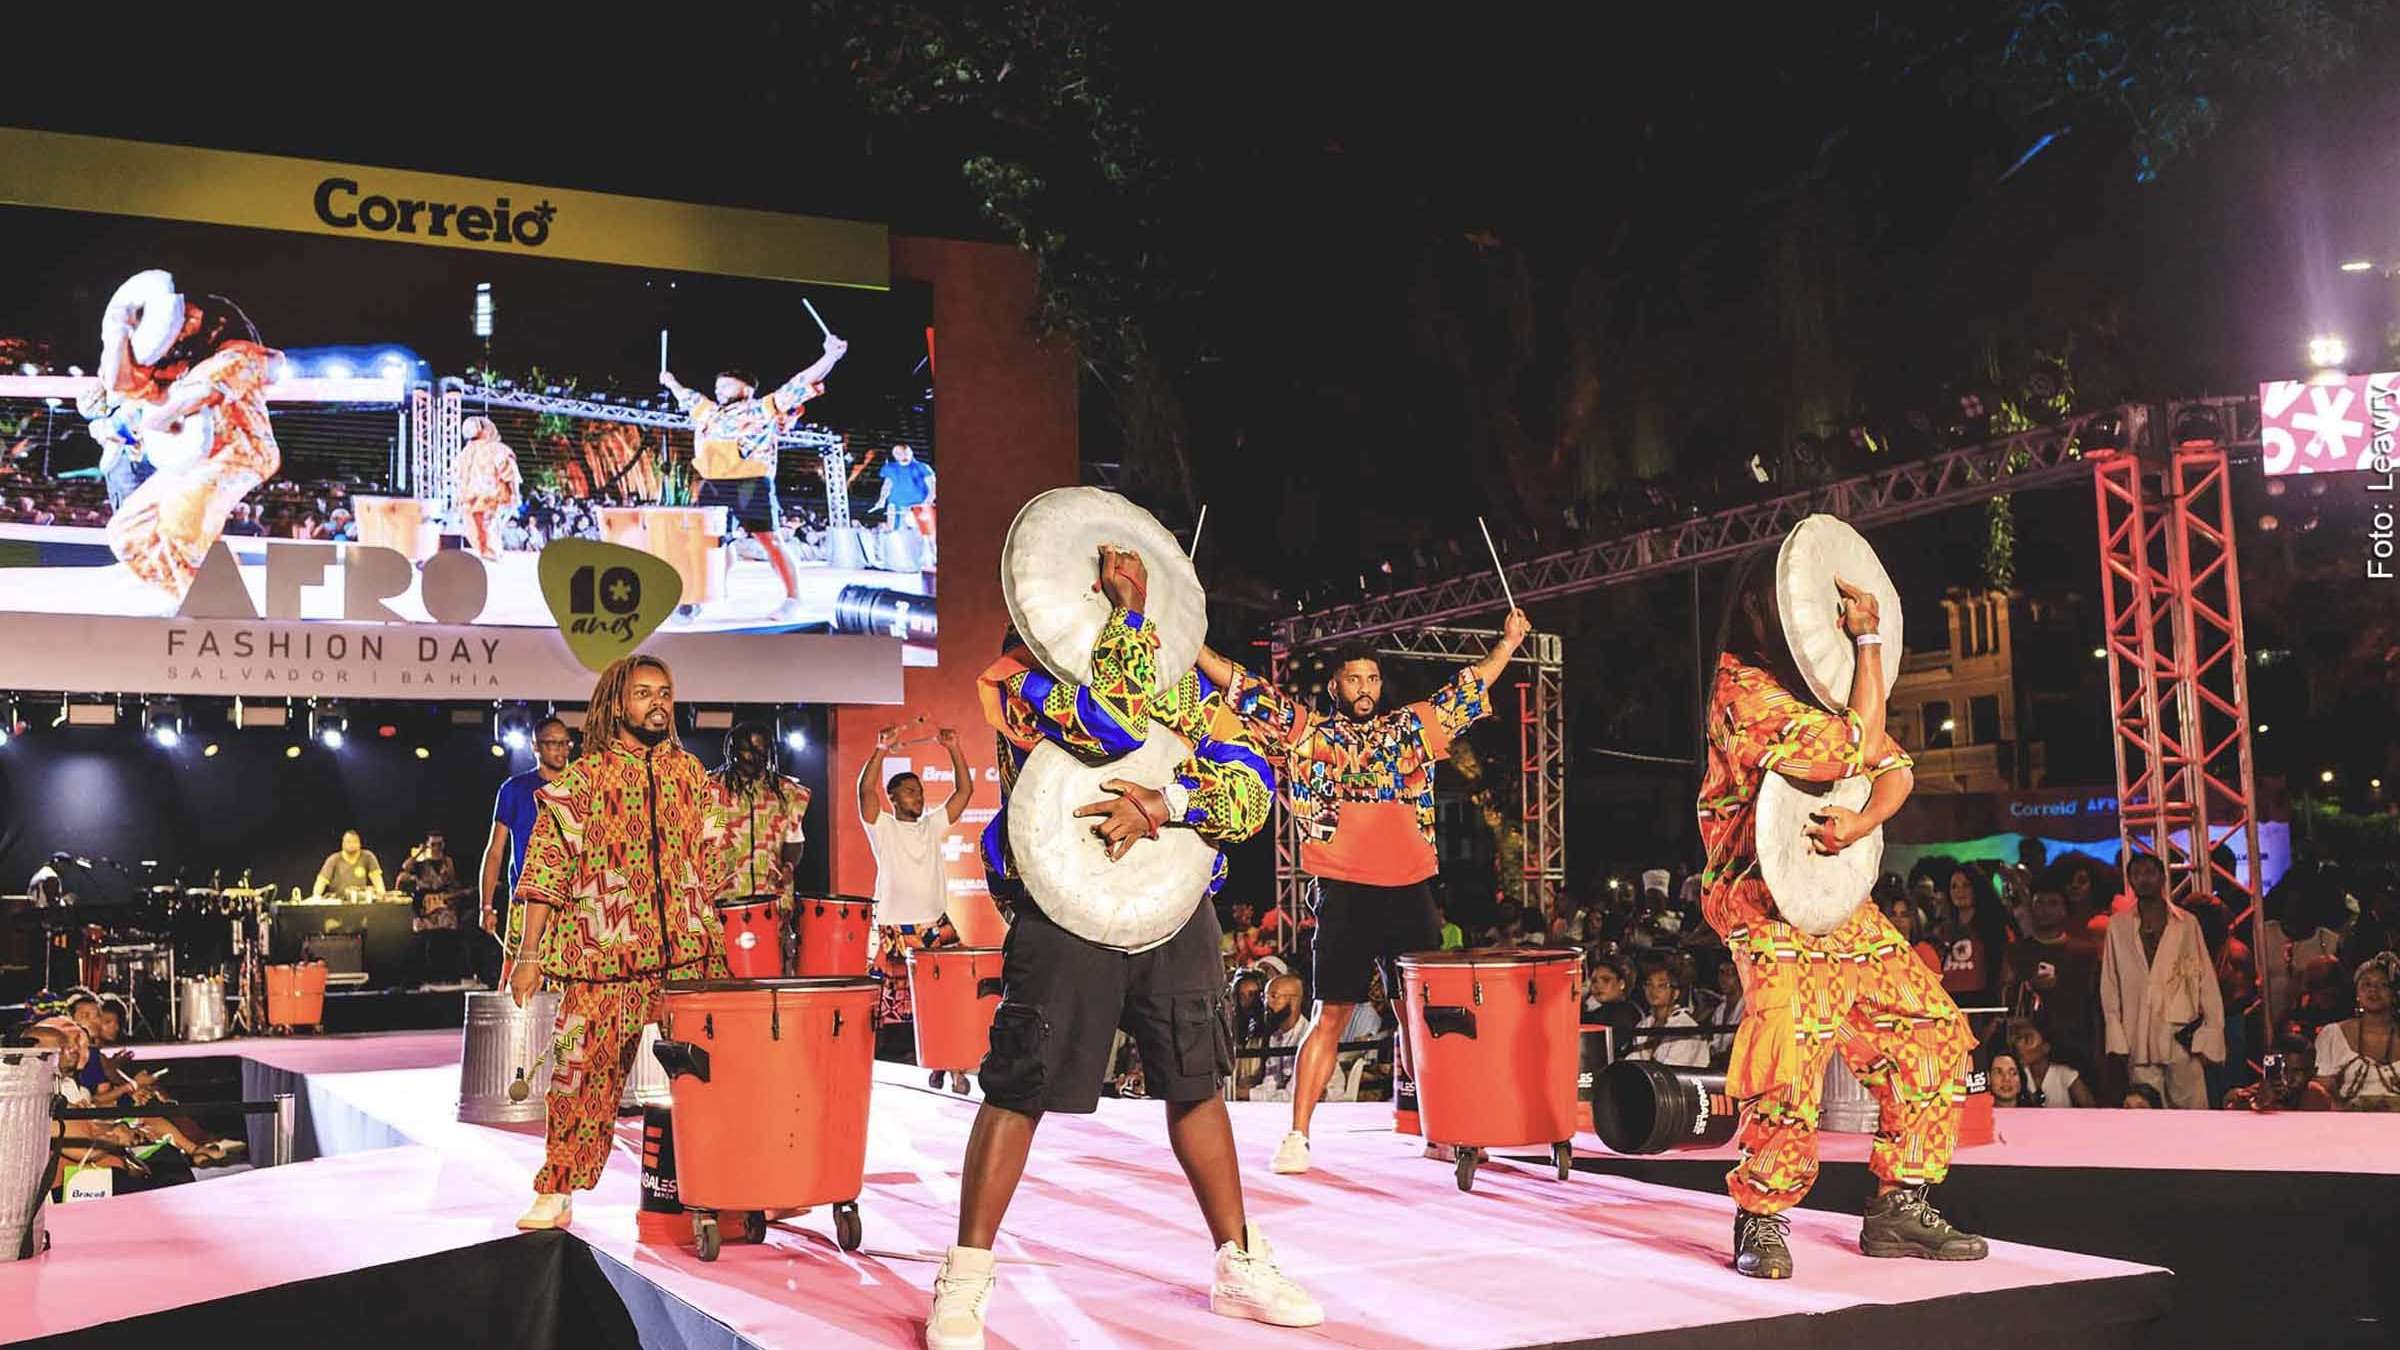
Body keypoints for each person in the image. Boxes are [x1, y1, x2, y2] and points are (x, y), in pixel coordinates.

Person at [926, 546, 1318, 1350]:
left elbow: (1249, 789)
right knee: (1018, 1085)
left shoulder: (1184, 681)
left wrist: (1167, 802)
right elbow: (1109, 722)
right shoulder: (1021, 679)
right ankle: (964, 1277)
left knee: (1196, 1083)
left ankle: (1238, 1262)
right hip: (1065, 909)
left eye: (1120, 599)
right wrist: (1132, 619)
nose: (1109, 605)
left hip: (1174, 910)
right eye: (1105, 597)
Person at [1698, 550, 1982, 1280]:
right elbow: (1855, 745)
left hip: (1833, 899)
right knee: (1790, 1046)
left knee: (1931, 1027)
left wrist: (1859, 828)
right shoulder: (1744, 691)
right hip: (1761, 901)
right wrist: (1867, 642)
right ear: (1761, 613)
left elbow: (1895, 769)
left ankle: (1898, 1204)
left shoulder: (1824, 695)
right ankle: (1761, 1215)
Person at [1195, 607, 1532, 1176]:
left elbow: (1468, 689)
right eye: (1354, 679)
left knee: (1420, 1019)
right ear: (1336, 685)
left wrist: (1509, 643)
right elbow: (1243, 686)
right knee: (1331, 1014)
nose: (1365, 688)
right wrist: (1192, 645)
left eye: (1373, 679)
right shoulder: (1309, 732)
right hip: (1347, 893)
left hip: (1411, 891)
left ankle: (1445, 1128)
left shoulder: (1409, 729)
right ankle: (1298, 1136)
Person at [508, 654, 732, 1231]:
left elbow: (717, 864)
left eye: (664, 692)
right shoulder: (582, 781)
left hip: (689, 958)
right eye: (643, 693)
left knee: (720, 1074)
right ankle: (557, 1187)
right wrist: (527, 956)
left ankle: (735, 1184)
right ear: (615, 704)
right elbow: (546, 869)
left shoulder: (692, 776)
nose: (657, 702)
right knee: (578, 1078)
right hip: (602, 957)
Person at [85, 274, 283, 599]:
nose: (185, 321)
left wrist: (159, 413)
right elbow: (118, 384)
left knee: (180, 526)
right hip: (191, 461)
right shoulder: (177, 366)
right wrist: (117, 331)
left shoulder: (239, 355)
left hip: (237, 454)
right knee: (128, 532)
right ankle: (212, 596)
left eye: (192, 315)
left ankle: (214, 606)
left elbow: (195, 396)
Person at [661, 334, 848, 621]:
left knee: (770, 540)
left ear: (747, 389)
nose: (719, 389)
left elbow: (798, 384)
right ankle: (701, 595)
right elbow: (687, 395)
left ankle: (793, 598)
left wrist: (830, 357)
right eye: (717, 385)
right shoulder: (708, 412)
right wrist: (670, 381)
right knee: (711, 543)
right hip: (713, 483)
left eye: (726, 384)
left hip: (750, 482)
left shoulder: (761, 409)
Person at [859, 723, 975, 1084]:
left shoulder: (931, 824)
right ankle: (885, 1073)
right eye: (909, 792)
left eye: (920, 791)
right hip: (896, 928)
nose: (918, 797)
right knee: (891, 1010)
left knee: (949, 998)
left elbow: (964, 792)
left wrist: (954, 748)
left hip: (934, 925)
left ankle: (951, 1064)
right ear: (893, 798)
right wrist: (881, 749)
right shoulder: (883, 826)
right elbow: (865, 790)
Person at [2099, 852, 2225, 1110]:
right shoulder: (2118, 926)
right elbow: (2110, 983)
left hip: (2180, 1031)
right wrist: (2116, 1035)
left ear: (2162, 878)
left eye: (2150, 873)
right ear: (2130, 880)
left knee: (2194, 1109)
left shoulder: (2186, 923)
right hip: (2138, 1030)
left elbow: (2205, 980)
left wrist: (2211, 1030)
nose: (2143, 880)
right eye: (2137, 874)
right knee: (2145, 1109)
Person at [479, 718, 574, 985]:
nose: (561, 750)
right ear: (535, 747)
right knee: (518, 983)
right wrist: (486, 905)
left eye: (565, 743)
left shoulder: (580, 787)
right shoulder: (514, 789)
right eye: (552, 743)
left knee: (567, 987)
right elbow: (495, 850)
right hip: (524, 899)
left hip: (569, 903)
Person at [2002, 885, 2102, 1072]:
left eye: (2053, 904)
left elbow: (2095, 1002)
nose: (2045, 910)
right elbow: (2007, 994)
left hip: (2076, 1043)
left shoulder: (2085, 952)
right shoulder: (2017, 952)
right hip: (2028, 1045)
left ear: (2065, 909)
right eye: (2039, 904)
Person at [2314, 952, 2399, 1110]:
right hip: (2347, 1125)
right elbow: (2321, 1090)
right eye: (2366, 984)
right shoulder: (2333, 1034)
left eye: (2383, 985)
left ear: (2394, 994)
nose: (2373, 990)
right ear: (2357, 994)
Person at [454, 415, 521, 559]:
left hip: (491, 497)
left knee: (488, 525)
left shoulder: (496, 449)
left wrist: (515, 493)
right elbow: (459, 475)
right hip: (474, 498)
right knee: (477, 528)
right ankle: (487, 552)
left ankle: (492, 552)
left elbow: (510, 473)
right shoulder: (467, 452)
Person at [1624, 963, 1711, 1069]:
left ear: (1675, 993)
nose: (1654, 990)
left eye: (1662, 985)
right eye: (1649, 984)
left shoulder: (1686, 1027)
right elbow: (1633, 1061)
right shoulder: (1644, 1024)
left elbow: (1673, 1070)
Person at [2225, 1033, 2336, 1112]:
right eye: (2281, 1070)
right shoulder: (2253, 1096)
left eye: (2296, 1072)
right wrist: (2254, 1105)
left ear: (2312, 1073)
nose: (2287, 1078)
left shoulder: (2317, 1097)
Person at [2005, 1017, 2094, 1108]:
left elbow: (2091, 1110)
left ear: (2045, 1048)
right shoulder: (2017, 1076)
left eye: (2028, 1040)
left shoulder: (2065, 1075)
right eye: (2019, 1039)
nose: (2019, 1046)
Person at [872, 442, 937, 563]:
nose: (902, 455)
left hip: (919, 505)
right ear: (894, 455)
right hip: (896, 504)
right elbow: (887, 485)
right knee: (891, 531)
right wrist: (881, 500)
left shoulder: (922, 467)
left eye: (904, 452)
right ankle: (891, 558)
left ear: (910, 452)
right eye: (898, 453)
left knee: (927, 534)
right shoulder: (890, 468)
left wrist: (927, 502)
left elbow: (933, 487)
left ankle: (933, 559)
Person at [311, 830, 384, 899]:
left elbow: (377, 879)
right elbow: (322, 880)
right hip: (338, 900)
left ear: (360, 844)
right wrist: (316, 897)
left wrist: (382, 896)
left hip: (360, 900)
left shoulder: (368, 856)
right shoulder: (334, 859)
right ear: (342, 844)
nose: (351, 844)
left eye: (355, 841)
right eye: (348, 842)